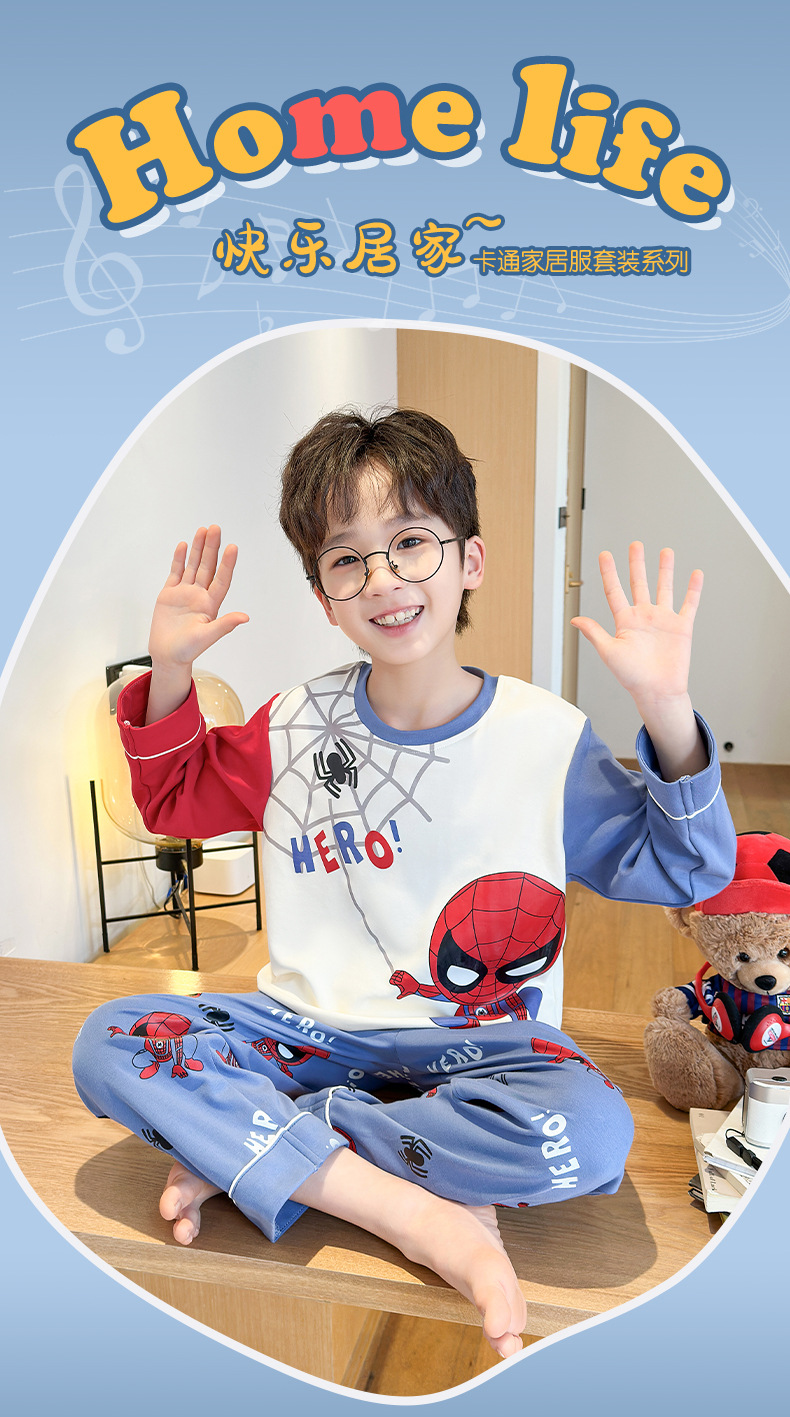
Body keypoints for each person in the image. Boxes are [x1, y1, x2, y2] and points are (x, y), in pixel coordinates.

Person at [73, 408, 736, 1359]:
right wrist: (171, 670)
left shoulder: (545, 740)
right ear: (324, 598)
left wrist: (667, 708)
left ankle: (267, 1145)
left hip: (489, 1050)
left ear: (470, 560)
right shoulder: (290, 725)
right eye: (347, 559)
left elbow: (690, 866)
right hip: (304, 1033)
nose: (383, 577)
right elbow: (172, 798)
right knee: (111, 1039)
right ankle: (415, 1211)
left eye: (412, 542)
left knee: (588, 1136)